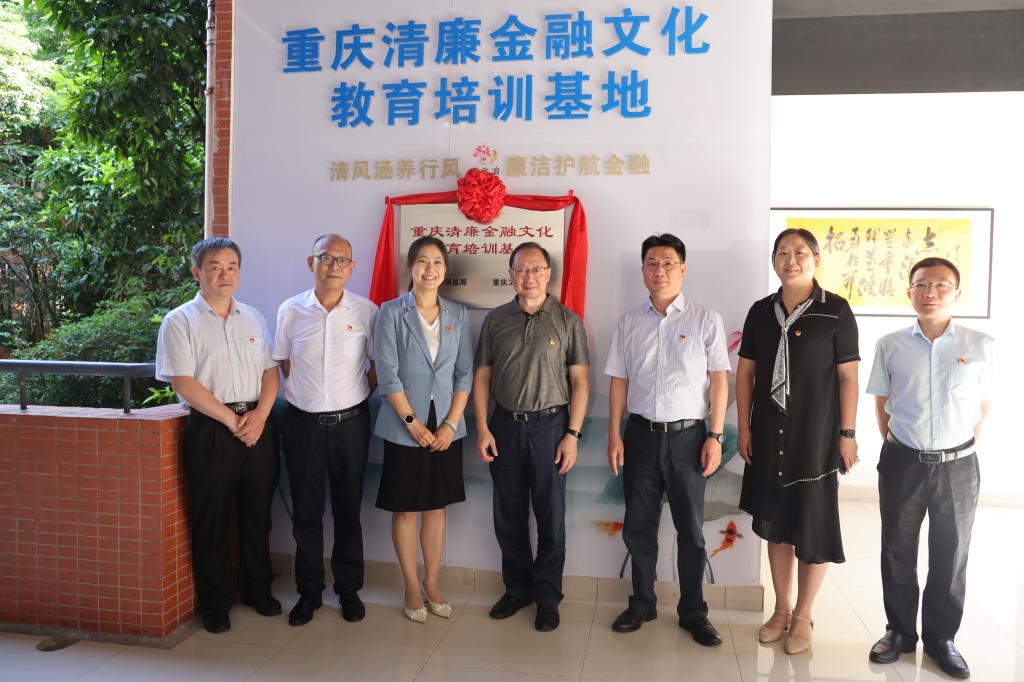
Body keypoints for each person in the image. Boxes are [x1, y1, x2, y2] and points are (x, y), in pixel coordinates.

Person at [866, 257, 992, 679]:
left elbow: (983, 407)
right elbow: (882, 404)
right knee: (897, 549)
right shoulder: (890, 345)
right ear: (910, 293)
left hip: (958, 466)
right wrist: (898, 446)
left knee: (950, 554)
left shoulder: (980, 345)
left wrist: (960, 447)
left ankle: (942, 639)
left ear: (957, 293)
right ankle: (900, 632)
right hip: (903, 461)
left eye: (940, 285)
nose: (930, 293)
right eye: (921, 285)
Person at [735, 228, 860, 654]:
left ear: (816, 260)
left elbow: (848, 376)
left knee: (813, 524)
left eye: (800, 252)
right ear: (774, 261)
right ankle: (781, 609)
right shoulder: (760, 311)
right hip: (768, 432)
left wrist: (847, 434)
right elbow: (746, 373)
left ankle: (804, 614)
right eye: (783, 252)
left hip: (816, 434)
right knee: (776, 524)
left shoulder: (835, 310)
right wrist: (745, 427)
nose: (791, 260)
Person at [605, 234, 731, 646]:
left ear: (683, 268)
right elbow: (619, 380)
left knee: (690, 531)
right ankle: (642, 603)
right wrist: (614, 434)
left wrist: (715, 435)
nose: (659, 271)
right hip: (639, 436)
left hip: (688, 439)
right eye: (652, 264)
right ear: (642, 269)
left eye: (668, 263)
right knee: (638, 526)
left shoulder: (704, 319)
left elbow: (719, 380)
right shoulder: (629, 322)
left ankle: (694, 612)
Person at [155, 237, 281, 634]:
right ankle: (216, 603)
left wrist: (260, 416)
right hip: (212, 428)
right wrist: (232, 421)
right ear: (197, 272)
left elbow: (271, 371)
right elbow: (183, 381)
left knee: (258, 516)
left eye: (232, 266)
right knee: (211, 519)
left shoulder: (253, 318)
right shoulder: (179, 321)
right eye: (215, 266)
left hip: (257, 425)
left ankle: (258, 590)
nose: (224, 274)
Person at [473, 241, 589, 633]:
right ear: (511, 275)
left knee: (550, 517)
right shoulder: (495, 320)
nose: (529, 277)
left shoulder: (567, 320)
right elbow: (483, 377)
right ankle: (517, 590)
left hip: (550, 428)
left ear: (548, 274)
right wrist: (483, 427)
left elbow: (580, 381)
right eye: (521, 269)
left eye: (537, 269)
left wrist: (572, 435)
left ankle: (548, 597)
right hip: (503, 427)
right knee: (508, 515)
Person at [273, 234, 377, 626]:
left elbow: (376, 365)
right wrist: (309, 395)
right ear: (310, 262)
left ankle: (348, 590)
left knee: (348, 510)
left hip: (352, 424)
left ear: (352, 267)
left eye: (342, 259)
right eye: (326, 257)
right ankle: (309, 592)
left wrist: (354, 395)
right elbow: (283, 361)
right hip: (302, 425)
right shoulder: (290, 310)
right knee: (307, 513)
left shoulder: (366, 310)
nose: (334, 265)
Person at [373, 236, 473, 623]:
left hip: (446, 425)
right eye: (423, 261)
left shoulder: (457, 314)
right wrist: (412, 423)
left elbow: (464, 375)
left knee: (435, 506)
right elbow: (388, 375)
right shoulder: (390, 312)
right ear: (410, 267)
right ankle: (411, 585)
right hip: (404, 425)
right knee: (406, 508)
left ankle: (432, 582)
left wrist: (451, 424)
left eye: (438, 263)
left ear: (445, 270)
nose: (431, 269)